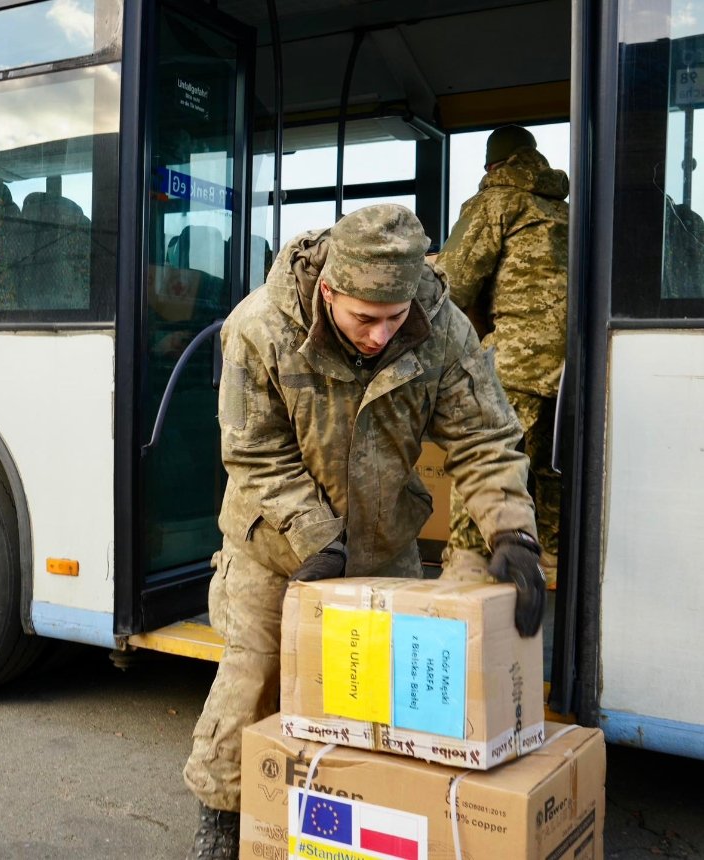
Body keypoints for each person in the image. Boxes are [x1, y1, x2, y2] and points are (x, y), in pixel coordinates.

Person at [183, 203, 546, 860]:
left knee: (389, 707)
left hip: (383, 549)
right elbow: (253, 452)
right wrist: (317, 540)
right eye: (364, 318)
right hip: (274, 547)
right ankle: (221, 819)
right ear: (328, 290)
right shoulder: (260, 328)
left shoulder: (441, 330)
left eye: (393, 318)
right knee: (253, 678)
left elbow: (484, 439)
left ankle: (364, 829)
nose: (381, 335)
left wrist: (512, 534)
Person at [434, 125, 569, 587]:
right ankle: (548, 562)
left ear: (493, 165)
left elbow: (453, 283)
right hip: (573, 367)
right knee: (552, 465)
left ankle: (468, 572)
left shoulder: (497, 200)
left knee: (487, 454)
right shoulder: (565, 209)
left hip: (516, 356)